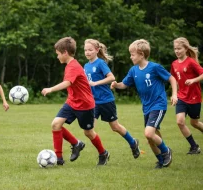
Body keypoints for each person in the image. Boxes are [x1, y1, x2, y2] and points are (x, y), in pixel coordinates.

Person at [42, 37, 109, 166]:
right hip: (72, 102)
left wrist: (50, 89)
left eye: (58, 54)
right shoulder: (69, 65)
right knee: (56, 124)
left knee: (88, 132)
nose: (57, 57)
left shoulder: (73, 66)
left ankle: (103, 153)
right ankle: (60, 157)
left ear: (65, 52)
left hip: (85, 105)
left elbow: (67, 83)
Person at [111, 39, 177, 169]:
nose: (131, 57)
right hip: (146, 107)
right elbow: (125, 84)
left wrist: (174, 94)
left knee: (148, 133)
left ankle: (165, 151)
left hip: (158, 104)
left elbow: (171, 78)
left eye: (132, 54)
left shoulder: (154, 67)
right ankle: (161, 161)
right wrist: (116, 85)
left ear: (141, 54)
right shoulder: (133, 70)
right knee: (150, 138)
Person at [83, 39, 140, 159]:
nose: (87, 52)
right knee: (88, 130)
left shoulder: (100, 63)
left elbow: (111, 77)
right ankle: (103, 153)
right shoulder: (86, 66)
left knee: (115, 127)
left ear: (97, 50)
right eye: (85, 50)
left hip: (106, 101)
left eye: (90, 50)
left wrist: (95, 83)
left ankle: (133, 142)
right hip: (93, 102)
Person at [170, 37, 203, 154]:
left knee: (194, 123)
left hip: (194, 98)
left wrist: (194, 80)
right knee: (180, 121)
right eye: (175, 49)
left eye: (179, 48)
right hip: (181, 97)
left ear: (185, 48)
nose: (177, 51)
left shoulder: (191, 62)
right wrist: (174, 95)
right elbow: (173, 79)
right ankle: (194, 147)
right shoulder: (174, 64)